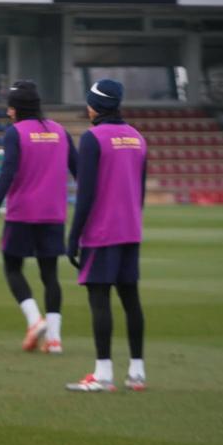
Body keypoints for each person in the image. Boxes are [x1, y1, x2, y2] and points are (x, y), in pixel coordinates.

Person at [0, 81, 77, 354]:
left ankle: (35, 320)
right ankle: (55, 340)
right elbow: (80, 170)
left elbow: (7, 173)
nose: (8, 112)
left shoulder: (15, 133)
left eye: (10, 107)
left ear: (16, 108)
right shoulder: (60, 131)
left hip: (22, 213)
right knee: (50, 275)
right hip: (54, 214)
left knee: (12, 267)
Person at [66, 79, 148, 393]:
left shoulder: (93, 138)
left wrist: (73, 237)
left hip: (101, 232)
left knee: (99, 300)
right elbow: (140, 192)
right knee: (131, 299)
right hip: (130, 230)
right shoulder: (138, 138)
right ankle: (137, 373)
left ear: (95, 105)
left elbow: (85, 194)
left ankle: (103, 374)